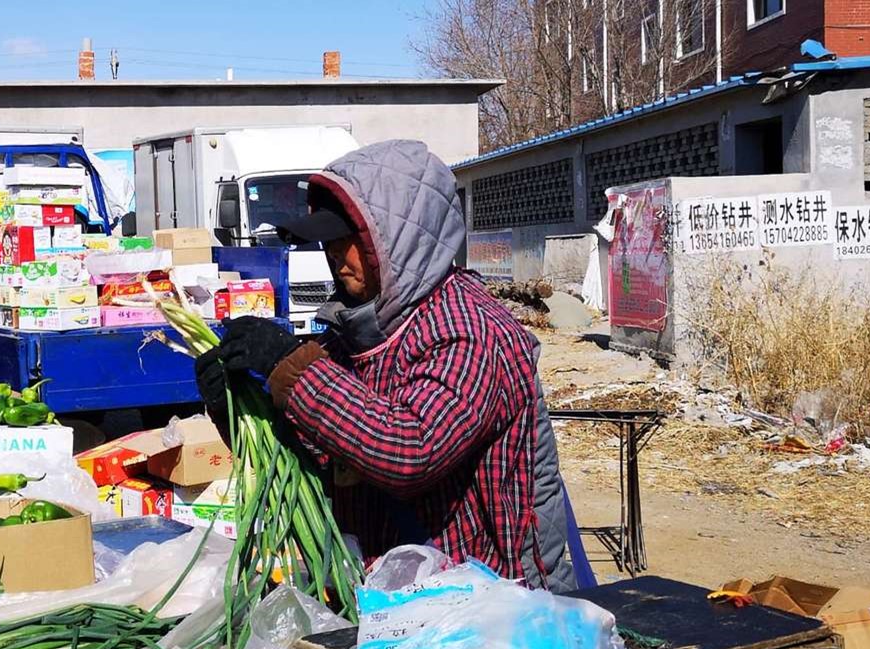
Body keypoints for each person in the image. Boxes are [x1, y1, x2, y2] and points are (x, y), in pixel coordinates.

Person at [195, 139, 581, 593]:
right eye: (328, 242)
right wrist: (239, 409)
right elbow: (324, 453)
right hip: (395, 596)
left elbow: (410, 451)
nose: (335, 255)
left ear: (399, 238)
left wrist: (290, 365)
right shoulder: (356, 331)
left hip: (488, 601)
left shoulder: (470, 331)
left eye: (347, 240)